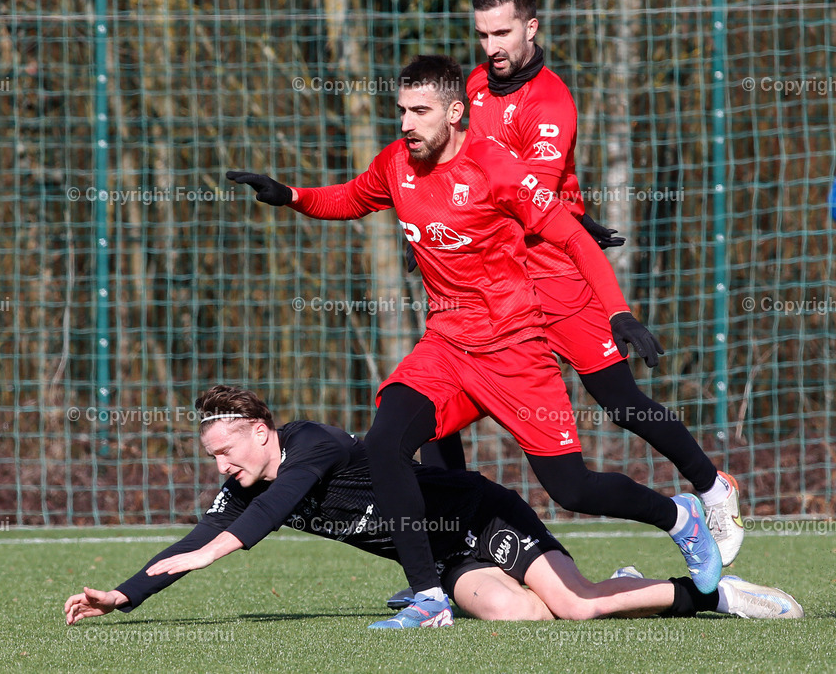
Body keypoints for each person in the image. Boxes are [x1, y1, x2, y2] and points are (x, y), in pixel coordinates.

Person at [226, 54, 722, 629]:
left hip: (515, 352)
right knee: (386, 442)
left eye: (420, 111)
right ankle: (428, 596)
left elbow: (576, 241)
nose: (406, 123)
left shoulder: (500, 170)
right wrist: (289, 195)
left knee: (573, 489)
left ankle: (679, 517)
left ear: (456, 113)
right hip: (446, 346)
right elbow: (352, 197)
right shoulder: (397, 163)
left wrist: (619, 313)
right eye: (401, 111)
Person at [416, 0, 743, 569]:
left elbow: (530, 192)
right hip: (495, 280)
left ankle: (712, 486)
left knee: (618, 399)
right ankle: (451, 550)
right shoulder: (470, 89)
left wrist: (573, 222)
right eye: (482, 33)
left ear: (531, 28)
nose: (491, 46)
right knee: (439, 402)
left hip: (552, 270)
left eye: (503, 32)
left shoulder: (551, 102)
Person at [63, 386, 802, 628]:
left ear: (261, 432)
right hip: (444, 557)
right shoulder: (249, 480)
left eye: (227, 452)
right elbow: (208, 526)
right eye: (214, 460)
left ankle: (710, 595)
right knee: (524, 618)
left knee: (573, 609)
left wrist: (207, 551)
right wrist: (125, 594)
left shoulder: (310, 445)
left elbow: (250, 527)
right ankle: (616, 579)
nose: (222, 468)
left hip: (480, 516)